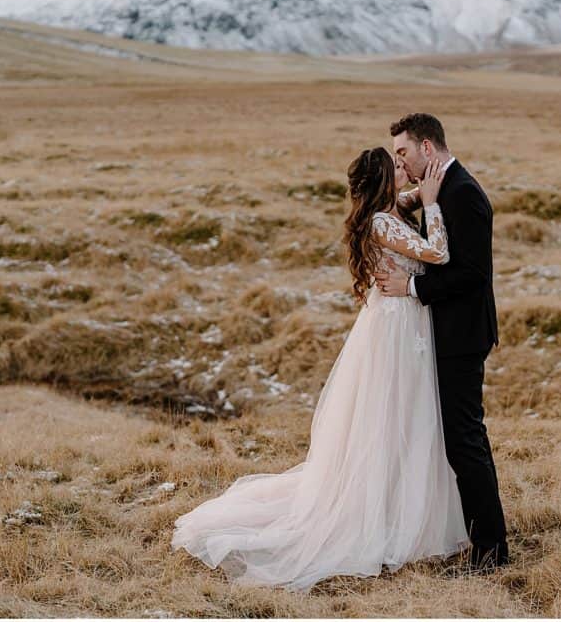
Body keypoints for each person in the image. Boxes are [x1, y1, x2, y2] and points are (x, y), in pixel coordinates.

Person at [171, 147, 470, 593]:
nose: (403, 172)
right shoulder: (383, 223)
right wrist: (429, 202)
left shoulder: (385, 212)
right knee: (397, 415)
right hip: (397, 329)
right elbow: (438, 254)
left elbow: (401, 202)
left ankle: (397, 501)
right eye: (396, 169)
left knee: (404, 416)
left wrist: (419, 189)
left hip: (398, 322)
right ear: (384, 182)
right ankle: (387, 512)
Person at [374, 112, 509, 571]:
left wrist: (411, 289)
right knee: (457, 439)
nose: (403, 162)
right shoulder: (441, 187)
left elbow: (471, 274)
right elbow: (404, 204)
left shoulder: (464, 193)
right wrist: (406, 198)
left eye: (404, 153)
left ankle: (491, 550)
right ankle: (474, 536)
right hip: (447, 332)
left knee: (465, 441)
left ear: (427, 148)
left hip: (462, 335)